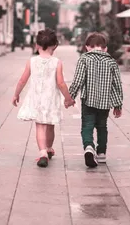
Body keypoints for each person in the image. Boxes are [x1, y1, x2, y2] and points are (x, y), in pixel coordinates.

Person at [12, 28, 75, 168]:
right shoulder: (57, 62)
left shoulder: (32, 61)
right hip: (51, 99)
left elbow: (22, 80)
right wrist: (68, 98)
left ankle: (42, 153)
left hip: (36, 99)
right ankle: (48, 148)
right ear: (55, 46)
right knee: (50, 125)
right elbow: (61, 83)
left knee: (40, 126)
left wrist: (16, 94)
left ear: (36, 45)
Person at [65, 32, 123, 168]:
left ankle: (89, 147)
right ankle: (101, 153)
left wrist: (70, 97)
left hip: (88, 101)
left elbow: (78, 81)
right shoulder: (111, 62)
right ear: (105, 48)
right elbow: (117, 85)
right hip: (105, 103)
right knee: (102, 127)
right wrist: (118, 105)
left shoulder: (84, 59)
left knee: (87, 126)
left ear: (87, 47)